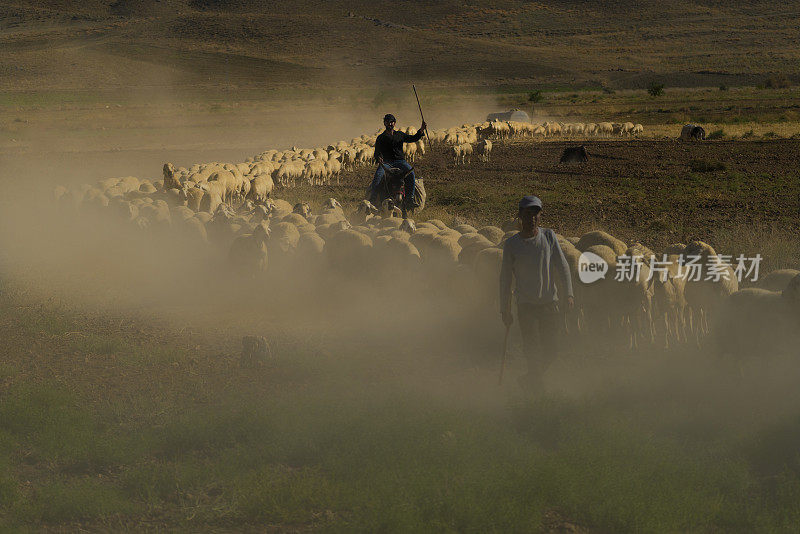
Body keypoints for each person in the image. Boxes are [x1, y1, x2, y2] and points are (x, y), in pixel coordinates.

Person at [499, 195, 574, 388]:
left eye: (535, 214)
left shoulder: (548, 237)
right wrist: (504, 309)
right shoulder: (512, 245)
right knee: (531, 349)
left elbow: (562, 266)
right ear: (519, 216)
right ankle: (535, 390)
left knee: (552, 349)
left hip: (549, 303)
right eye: (527, 214)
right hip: (526, 306)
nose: (531, 218)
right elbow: (505, 279)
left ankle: (530, 380)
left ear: (540, 217)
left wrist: (569, 293)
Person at [368, 114, 426, 209]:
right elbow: (377, 152)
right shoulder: (381, 138)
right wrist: (379, 158)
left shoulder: (400, 135)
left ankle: (409, 199)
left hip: (400, 161)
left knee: (411, 174)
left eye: (392, 122)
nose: (390, 124)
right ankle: (373, 198)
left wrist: (421, 130)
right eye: (388, 122)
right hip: (387, 162)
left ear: (394, 123)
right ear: (385, 123)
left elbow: (413, 138)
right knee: (378, 176)